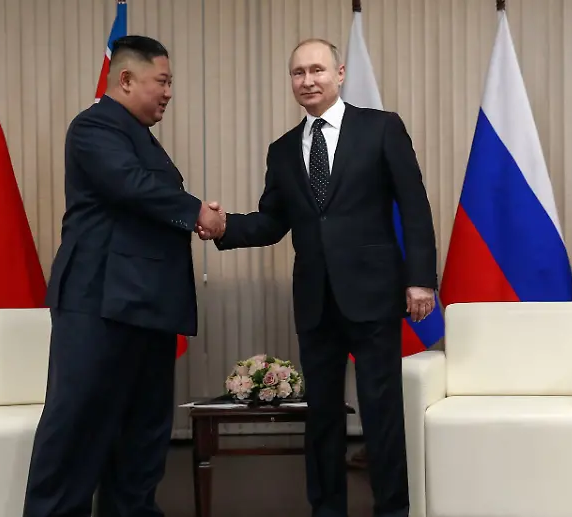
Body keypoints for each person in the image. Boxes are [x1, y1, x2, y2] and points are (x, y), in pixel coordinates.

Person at [199, 38, 438, 517]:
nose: (307, 81)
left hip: (373, 294)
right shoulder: (283, 149)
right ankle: (326, 509)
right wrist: (225, 227)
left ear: (340, 74)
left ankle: (393, 510)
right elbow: (272, 221)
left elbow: (414, 206)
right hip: (315, 300)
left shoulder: (381, 128)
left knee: (381, 413)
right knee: (322, 416)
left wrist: (420, 279)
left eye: (317, 70)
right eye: (298, 73)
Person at [22, 35, 224, 517]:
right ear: (127, 80)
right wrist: (197, 211)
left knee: (141, 439)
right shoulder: (94, 127)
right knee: (78, 431)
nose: (169, 92)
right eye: (162, 81)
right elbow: (130, 186)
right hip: (99, 303)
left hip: (146, 308)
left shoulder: (137, 135)